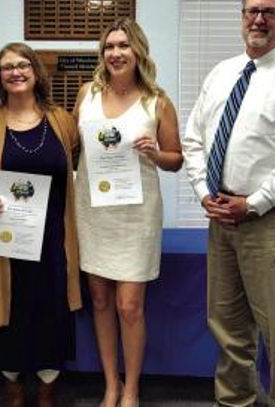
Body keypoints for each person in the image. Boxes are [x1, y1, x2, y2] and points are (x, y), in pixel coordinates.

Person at [182, 1, 275, 406]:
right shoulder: (221, 74)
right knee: (229, 331)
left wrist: (255, 203)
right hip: (223, 217)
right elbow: (194, 140)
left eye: (269, 11)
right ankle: (234, 402)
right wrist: (204, 192)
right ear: (242, 16)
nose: (258, 19)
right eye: (251, 10)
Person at [0, 42, 82, 407]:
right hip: (5, 240)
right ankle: (12, 386)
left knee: (50, 311)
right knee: (8, 312)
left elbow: (74, 163)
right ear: (0, 77)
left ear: (35, 71)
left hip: (53, 241)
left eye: (23, 64)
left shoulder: (61, 121)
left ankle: (46, 387)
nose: (16, 71)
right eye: (7, 67)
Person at [73, 18, 183, 407]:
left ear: (138, 51)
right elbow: (72, 150)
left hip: (136, 215)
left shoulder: (158, 101)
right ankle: (110, 385)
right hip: (93, 210)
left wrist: (155, 152)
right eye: (109, 46)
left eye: (123, 45)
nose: (115, 53)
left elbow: (175, 160)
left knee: (129, 305)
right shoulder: (86, 94)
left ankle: (132, 388)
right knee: (100, 301)